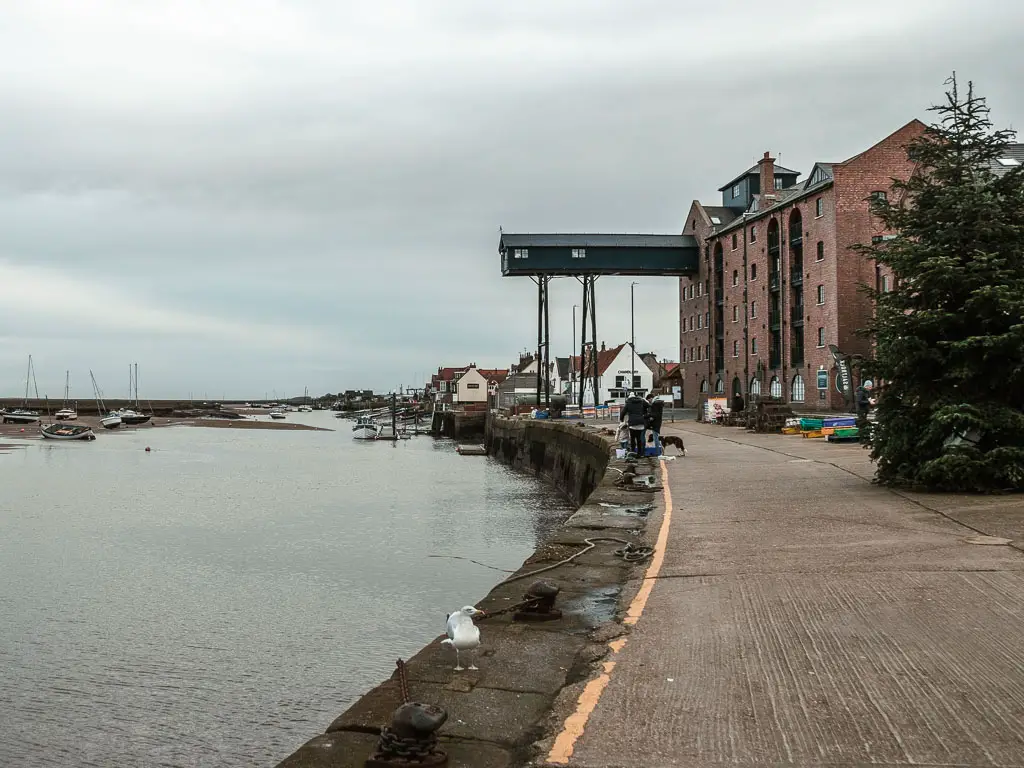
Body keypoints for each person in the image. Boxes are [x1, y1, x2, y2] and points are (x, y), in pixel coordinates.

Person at [619, 392, 649, 457]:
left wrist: (621, 420)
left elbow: (623, 412)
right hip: (641, 422)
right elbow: (648, 405)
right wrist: (645, 415)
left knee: (632, 438)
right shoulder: (641, 401)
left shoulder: (628, 403)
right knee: (639, 439)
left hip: (632, 423)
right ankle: (639, 453)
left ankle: (633, 452)